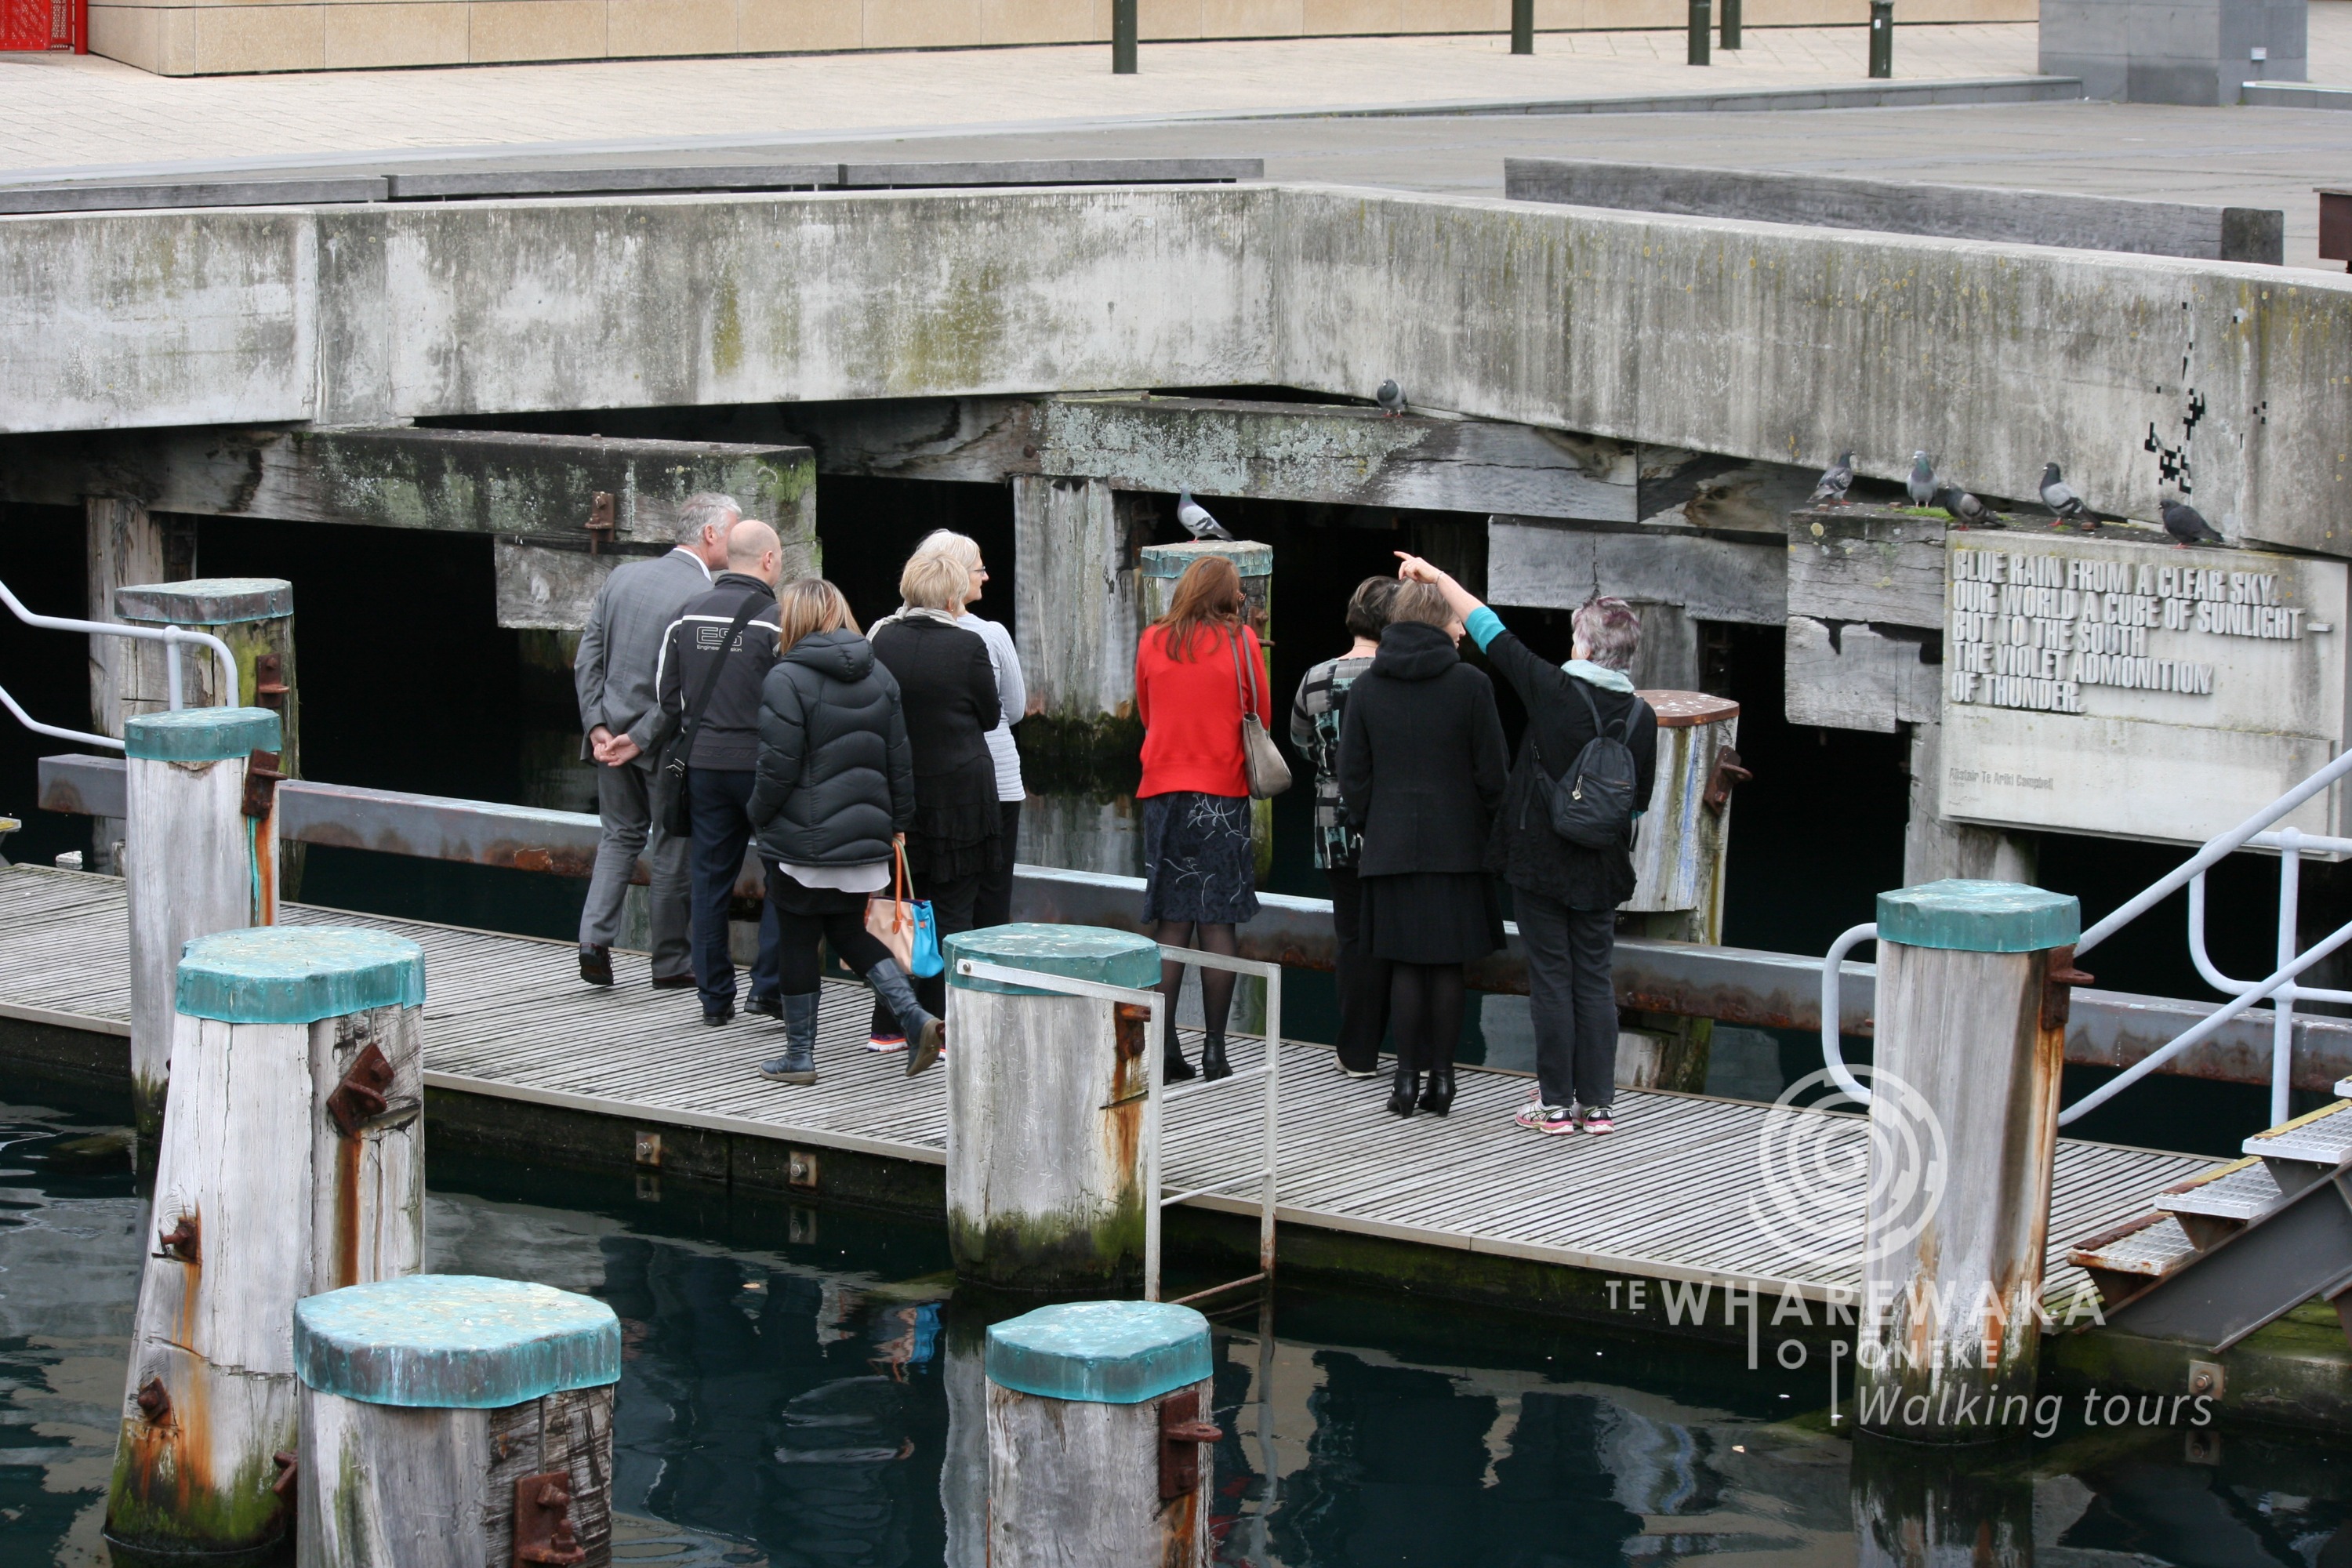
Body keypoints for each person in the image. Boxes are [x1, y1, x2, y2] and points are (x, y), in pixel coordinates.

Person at [1396, 554, 1657, 1137]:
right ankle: (1599, 1105)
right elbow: (1636, 803)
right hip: (1602, 865)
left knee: (1551, 978)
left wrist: (1436, 577)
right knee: (1594, 978)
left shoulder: (1554, 689)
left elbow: (1489, 630)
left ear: (1585, 648)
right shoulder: (1642, 717)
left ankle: (1556, 1105)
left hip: (1541, 859)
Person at [746, 578, 943, 1084]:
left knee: (796, 937)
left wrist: (758, 815)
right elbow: (901, 761)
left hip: (803, 838)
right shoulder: (880, 675)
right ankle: (915, 1016)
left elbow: (776, 768)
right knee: (848, 930)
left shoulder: (785, 678)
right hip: (866, 837)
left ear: (794, 619)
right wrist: (899, 823)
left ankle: (798, 1056)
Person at [1336, 579, 1508, 1119]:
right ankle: (1444, 1079)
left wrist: (1375, 823)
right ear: (1441, 622)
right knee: (1446, 967)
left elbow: (1353, 779)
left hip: (1389, 845)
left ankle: (1404, 1083)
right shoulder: (1472, 685)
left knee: (1407, 965)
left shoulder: (1366, 689)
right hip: (1458, 845)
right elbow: (1493, 776)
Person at [572, 491, 738, 989]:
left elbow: (588, 659)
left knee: (618, 836)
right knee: (671, 848)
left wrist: (599, 727)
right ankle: (669, 964)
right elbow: (686, 688)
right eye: (734, 531)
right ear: (711, 535)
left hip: (609, 738)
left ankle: (593, 941)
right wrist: (640, 739)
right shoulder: (702, 599)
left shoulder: (621, 577)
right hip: (663, 746)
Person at [863, 550, 1004, 1050]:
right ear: (950, 595)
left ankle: (889, 1024)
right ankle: (945, 1031)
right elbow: (991, 716)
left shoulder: (880, 638)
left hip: (898, 789)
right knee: (954, 909)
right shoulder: (968, 645)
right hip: (960, 791)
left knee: (901, 901)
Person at [1134, 554, 1267, 1084]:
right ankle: (1215, 1051)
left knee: (1171, 921)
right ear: (1228, 595)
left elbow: (1146, 711)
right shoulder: (1242, 644)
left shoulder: (1152, 640)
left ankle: (1165, 1050)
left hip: (1164, 792)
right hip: (1224, 794)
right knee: (1217, 921)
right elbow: (1260, 711)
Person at [655, 518, 787, 1027]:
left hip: (703, 768)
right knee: (782, 876)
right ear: (769, 561)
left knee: (708, 880)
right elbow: (791, 701)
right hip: (763, 769)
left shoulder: (683, 616)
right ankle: (768, 988)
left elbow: (667, 701)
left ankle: (714, 999)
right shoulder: (777, 621)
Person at [1290, 576, 1399, 1080]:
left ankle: (1357, 1051)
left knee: (1352, 937)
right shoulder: (1400, 676)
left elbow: (1300, 740)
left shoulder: (1315, 678)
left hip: (1332, 819)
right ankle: (1400, 1045)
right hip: (1394, 822)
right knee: (1398, 933)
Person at [906, 530, 1027, 928]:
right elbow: (1014, 709)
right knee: (990, 893)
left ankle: (923, 983)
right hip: (994, 779)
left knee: (922, 888)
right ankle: (976, 986)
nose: (986, 576)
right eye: (979, 568)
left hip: (920, 779)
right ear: (954, 575)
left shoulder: (888, 631)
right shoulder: (988, 634)